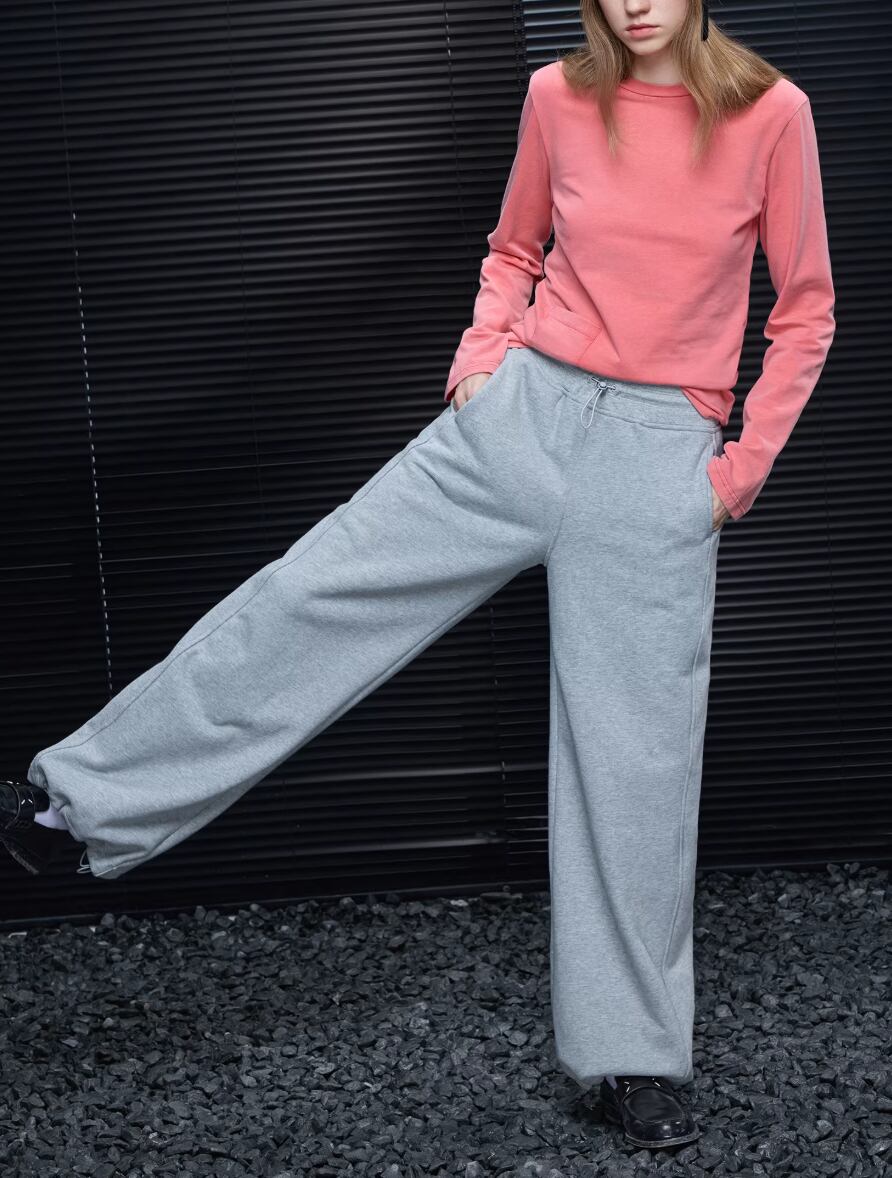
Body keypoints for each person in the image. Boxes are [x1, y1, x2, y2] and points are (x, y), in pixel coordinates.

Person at [1, 0, 834, 1153]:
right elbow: (513, 249)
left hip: (657, 461)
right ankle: (75, 805)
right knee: (313, 592)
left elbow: (805, 311)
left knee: (634, 763)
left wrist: (731, 477)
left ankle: (635, 1056)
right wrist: (480, 359)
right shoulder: (557, 97)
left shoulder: (770, 113)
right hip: (520, 420)